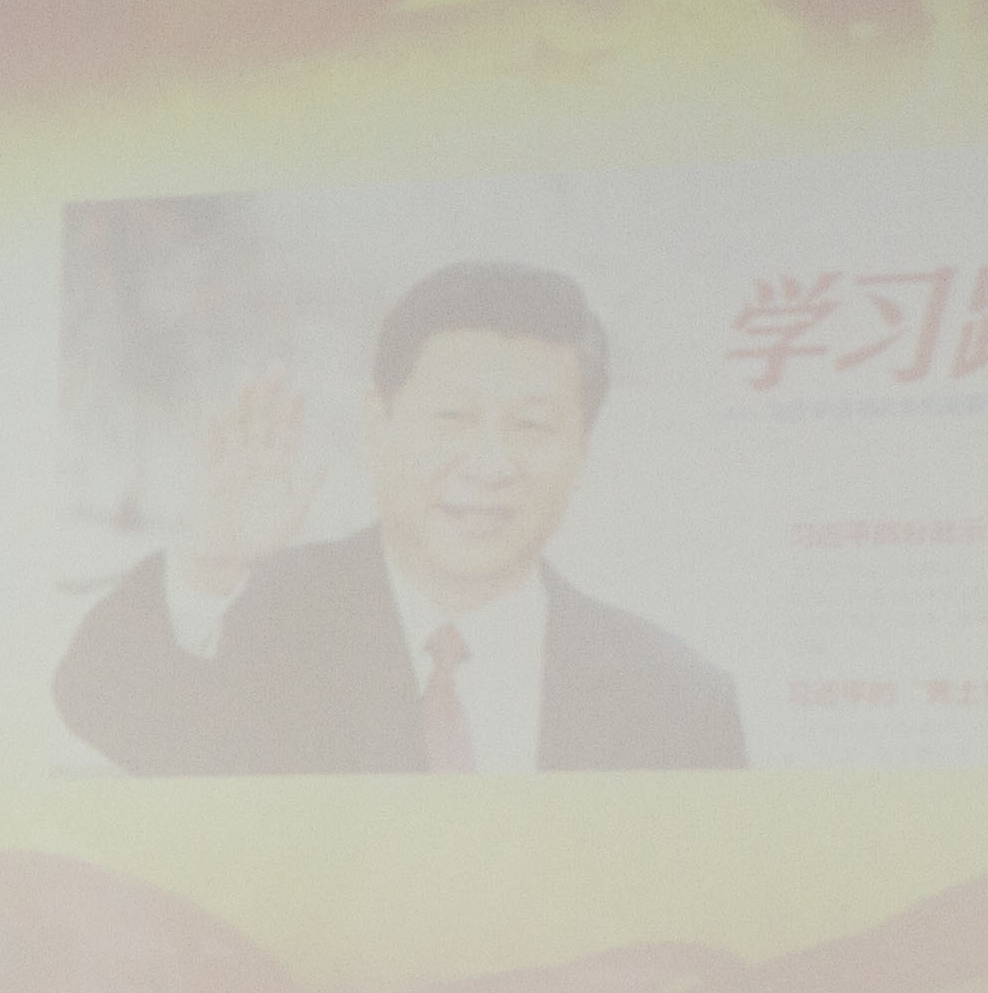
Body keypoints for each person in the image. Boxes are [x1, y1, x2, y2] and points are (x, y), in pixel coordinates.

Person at [53, 262, 744, 778]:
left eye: (532, 426)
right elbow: (101, 708)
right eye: (452, 417)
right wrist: (208, 563)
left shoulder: (676, 699)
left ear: (582, 450)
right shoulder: (257, 620)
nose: (490, 465)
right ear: (377, 426)